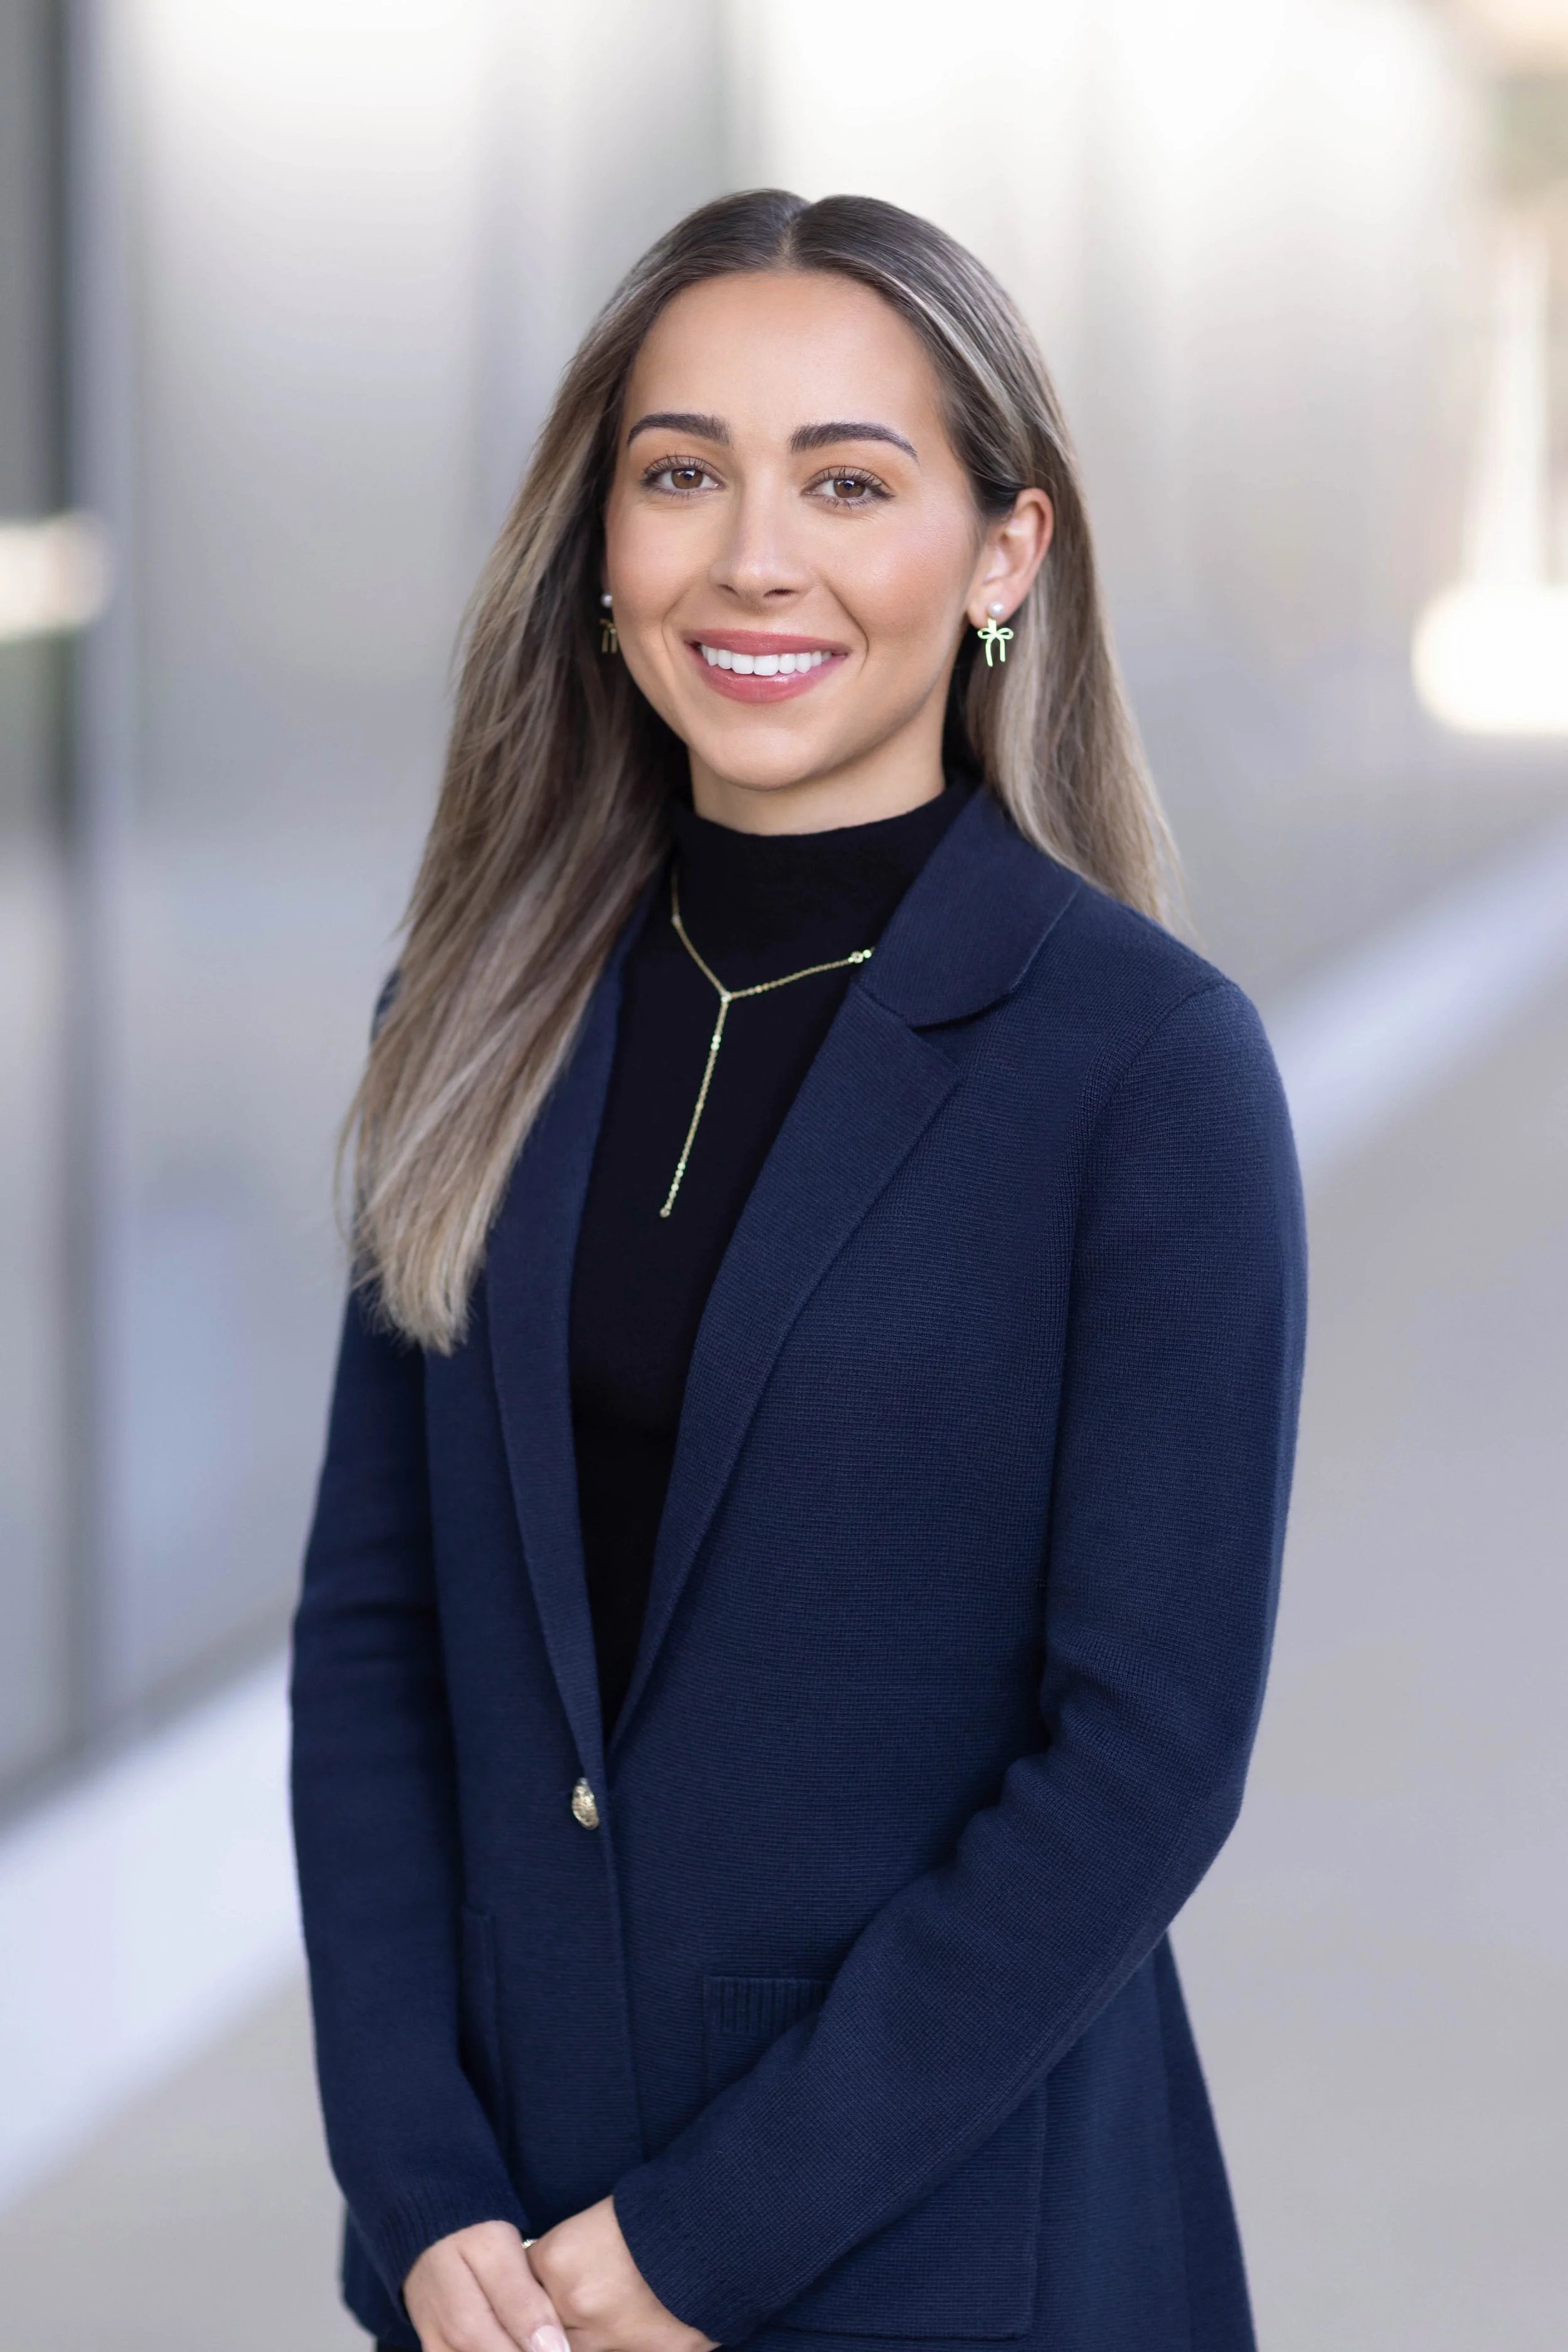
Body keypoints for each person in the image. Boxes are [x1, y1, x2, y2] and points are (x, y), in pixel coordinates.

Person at [290, 189, 1306, 2352]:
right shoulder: (470, 1013)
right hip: (508, 2271)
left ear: (1006, 555)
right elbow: (378, 1633)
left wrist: (699, 2242)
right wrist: (417, 2186)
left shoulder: (1136, 1063)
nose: (754, 555)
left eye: (849, 480)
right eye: (683, 475)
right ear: (603, 548)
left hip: (943, 2245)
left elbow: (1139, 1761)